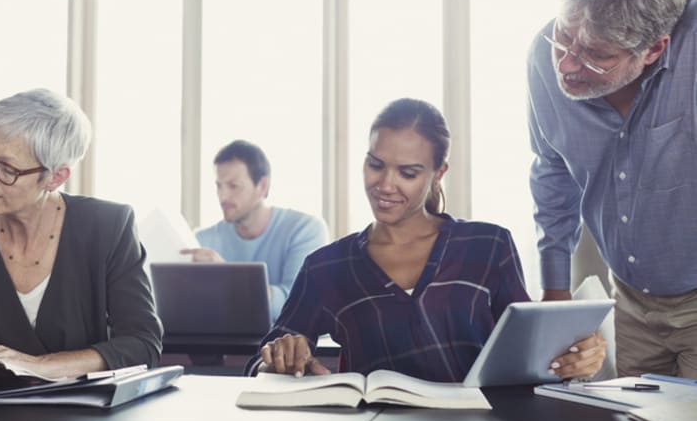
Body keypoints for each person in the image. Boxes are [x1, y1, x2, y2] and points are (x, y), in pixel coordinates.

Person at [246, 98, 605, 381]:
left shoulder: (488, 245)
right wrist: (280, 357)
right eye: (375, 164)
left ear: (438, 174)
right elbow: (259, 365)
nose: (385, 185)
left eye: (408, 172)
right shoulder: (326, 267)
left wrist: (577, 358)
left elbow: (532, 354)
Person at [527, 0, 697, 378]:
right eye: (563, 37)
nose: (564, 63)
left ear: (654, 48)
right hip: (631, 298)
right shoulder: (543, 60)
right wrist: (556, 293)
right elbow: (551, 176)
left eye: (594, 56)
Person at [0, 88, 163, 379]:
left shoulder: (108, 227)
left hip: (78, 419)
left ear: (55, 177)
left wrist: (39, 365)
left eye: (6, 169)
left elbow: (142, 344)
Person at [180, 140, 328, 321]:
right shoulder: (202, 241)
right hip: (216, 344)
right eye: (219, 186)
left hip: (280, 347)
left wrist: (227, 277)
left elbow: (299, 306)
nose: (222, 196)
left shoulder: (305, 230)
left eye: (234, 186)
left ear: (262, 186)